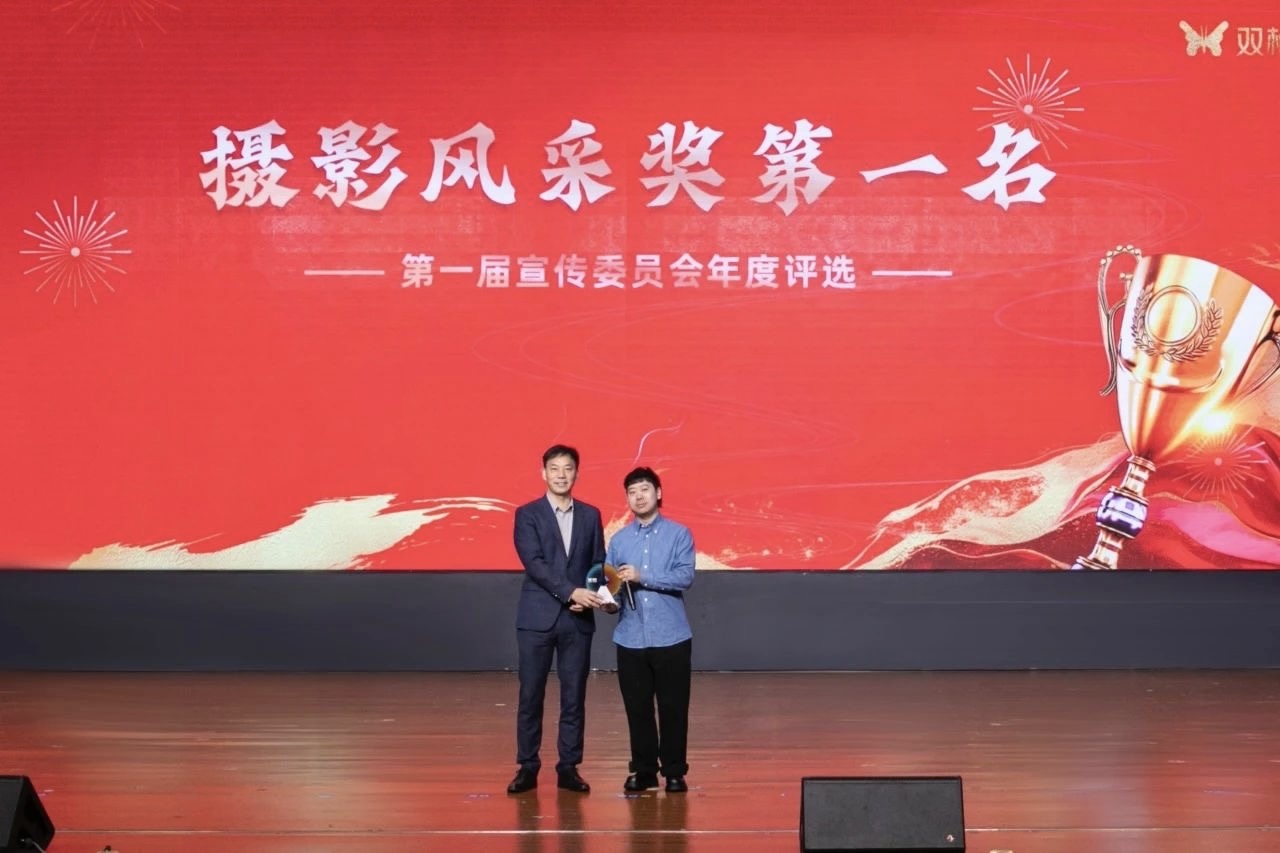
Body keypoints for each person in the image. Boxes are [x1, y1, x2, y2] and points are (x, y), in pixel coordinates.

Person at [507, 444, 606, 795]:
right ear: (543, 473)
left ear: (576, 473)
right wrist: (570, 592)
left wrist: (589, 595)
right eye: (554, 468)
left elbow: (598, 562)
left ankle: (569, 767)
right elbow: (534, 564)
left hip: (578, 619)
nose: (561, 475)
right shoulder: (527, 514)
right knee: (530, 695)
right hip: (537, 618)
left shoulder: (591, 515)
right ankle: (527, 766)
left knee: (574, 696)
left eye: (568, 468)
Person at [606, 466, 696, 794]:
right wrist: (608, 602)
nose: (638, 496)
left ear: (658, 493)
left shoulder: (679, 534)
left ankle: (674, 771)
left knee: (673, 707)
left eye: (644, 489)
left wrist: (643, 576)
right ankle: (644, 771)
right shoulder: (618, 540)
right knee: (638, 708)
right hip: (630, 637)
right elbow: (612, 584)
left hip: (671, 635)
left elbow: (685, 577)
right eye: (632, 492)